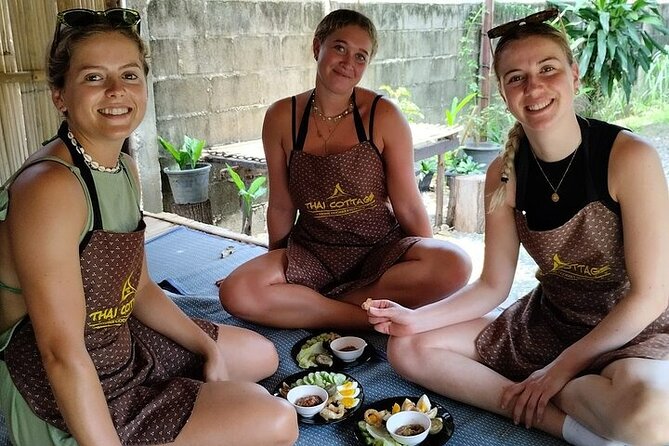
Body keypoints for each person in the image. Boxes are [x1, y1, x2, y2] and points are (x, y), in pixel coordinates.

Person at [364, 9, 669, 446]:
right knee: (408, 348)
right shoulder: (503, 175)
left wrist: (560, 368)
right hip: (551, 322)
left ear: (574, 75)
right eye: (516, 77)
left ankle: (555, 387)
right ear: (504, 94)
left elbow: (650, 296)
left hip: (634, 329)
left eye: (548, 69)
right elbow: (492, 285)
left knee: (650, 420)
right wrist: (415, 318)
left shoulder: (628, 157)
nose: (534, 87)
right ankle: (562, 422)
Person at [0, 8, 298, 446]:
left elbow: (137, 288)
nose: (117, 90)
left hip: (117, 339)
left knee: (260, 355)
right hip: (58, 379)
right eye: (94, 78)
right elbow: (60, 353)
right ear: (59, 95)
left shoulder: (121, 167)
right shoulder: (50, 188)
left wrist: (207, 348)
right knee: (275, 421)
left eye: (129, 74)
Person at [218, 9, 472, 330]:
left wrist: (424, 260)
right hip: (313, 252)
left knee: (455, 265)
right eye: (339, 47)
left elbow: (407, 204)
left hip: (379, 251)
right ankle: (368, 318)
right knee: (237, 292)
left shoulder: (383, 115)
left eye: (360, 56)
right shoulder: (283, 117)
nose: (348, 62)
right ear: (317, 47)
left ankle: (314, 307)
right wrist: (273, 268)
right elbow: (281, 204)